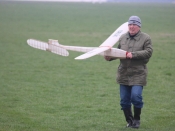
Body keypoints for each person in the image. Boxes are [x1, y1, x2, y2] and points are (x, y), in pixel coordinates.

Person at [104, 16, 153, 128]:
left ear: (139, 26)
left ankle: (136, 120)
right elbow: (118, 52)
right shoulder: (123, 38)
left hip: (138, 73)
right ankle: (130, 122)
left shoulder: (146, 38)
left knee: (136, 97)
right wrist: (109, 57)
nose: (131, 26)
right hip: (124, 74)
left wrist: (133, 55)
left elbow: (149, 52)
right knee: (124, 101)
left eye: (134, 24)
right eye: (130, 24)